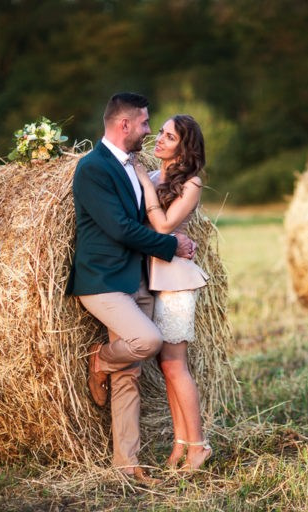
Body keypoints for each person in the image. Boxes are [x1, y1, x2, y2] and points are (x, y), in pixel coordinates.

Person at [65, 92, 195, 485]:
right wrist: (172, 246)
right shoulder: (93, 168)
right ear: (124, 125)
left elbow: (154, 217)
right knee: (148, 341)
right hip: (103, 281)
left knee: (130, 376)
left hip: (136, 278)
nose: (147, 130)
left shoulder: (134, 167)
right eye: (143, 123)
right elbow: (120, 228)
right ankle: (101, 359)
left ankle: (127, 464)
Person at [134, 114, 212, 472]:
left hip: (176, 281)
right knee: (167, 366)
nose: (159, 140)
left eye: (169, 136)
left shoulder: (191, 183)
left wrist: (144, 184)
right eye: (160, 133)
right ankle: (180, 444)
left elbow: (164, 225)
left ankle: (198, 445)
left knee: (175, 364)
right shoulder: (152, 177)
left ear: (184, 146)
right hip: (153, 278)